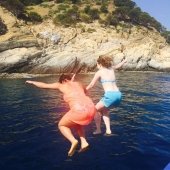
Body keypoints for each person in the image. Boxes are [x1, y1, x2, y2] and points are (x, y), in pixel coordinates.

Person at [26, 74, 96, 157]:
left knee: (62, 125)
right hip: (92, 108)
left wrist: (32, 82)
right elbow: (83, 92)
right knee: (77, 122)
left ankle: (73, 141)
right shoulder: (79, 83)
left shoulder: (60, 84)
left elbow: (44, 85)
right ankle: (84, 142)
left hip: (79, 110)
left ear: (63, 80)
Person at [86, 55, 127, 136]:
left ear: (100, 64)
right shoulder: (111, 68)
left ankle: (98, 130)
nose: (97, 66)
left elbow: (91, 85)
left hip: (110, 95)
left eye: (97, 64)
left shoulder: (99, 72)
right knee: (105, 110)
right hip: (118, 95)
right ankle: (108, 131)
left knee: (95, 110)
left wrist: (83, 91)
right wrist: (124, 61)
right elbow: (118, 66)